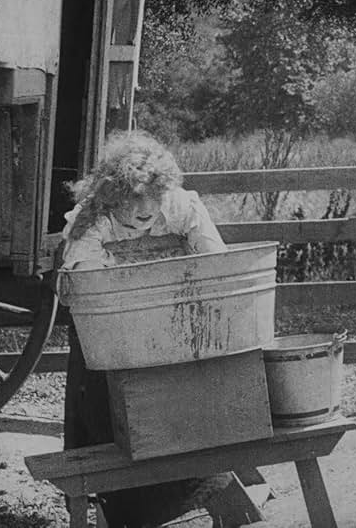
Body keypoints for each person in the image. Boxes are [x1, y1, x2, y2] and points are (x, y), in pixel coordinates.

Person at [60, 130, 233, 527]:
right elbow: (85, 288)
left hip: (173, 329)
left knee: (182, 417)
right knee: (116, 425)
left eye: (152, 197)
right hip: (109, 341)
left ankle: (195, 494)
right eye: (133, 199)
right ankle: (121, 509)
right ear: (112, 194)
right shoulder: (90, 221)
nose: (145, 208)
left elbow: (216, 262)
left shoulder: (180, 205)